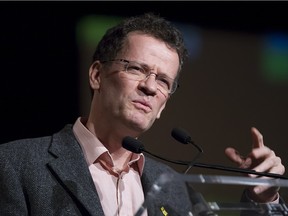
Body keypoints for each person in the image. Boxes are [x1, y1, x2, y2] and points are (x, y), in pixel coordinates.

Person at [0, 12, 285, 216]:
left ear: (163, 106)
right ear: (97, 75)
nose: (150, 87)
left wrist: (262, 199)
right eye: (136, 68)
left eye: (163, 81)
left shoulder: (177, 191)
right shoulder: (15, 165)